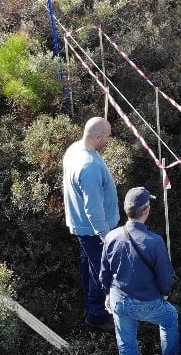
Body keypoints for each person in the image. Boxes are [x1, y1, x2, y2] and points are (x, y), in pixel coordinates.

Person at [100, 187, 180, 355]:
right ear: (146, 210)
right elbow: (165, 276)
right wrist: (165, 293)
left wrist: (108, 295)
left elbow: (104, 273)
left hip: (119, 301)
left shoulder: (110, 237)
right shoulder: (155, 241)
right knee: (170, 317)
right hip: (146, 302)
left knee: (127, 343)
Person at [63, 116, 120, 332]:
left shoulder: (75, 149)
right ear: (97, 137)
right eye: (106, 137)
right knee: (102, 271)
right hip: (94, 230)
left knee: (89, 263)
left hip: (82, 225)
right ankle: (96, 315)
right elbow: (93, 208)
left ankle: (89, 298)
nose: (108, 140)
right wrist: (105, 236)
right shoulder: (89, 166)